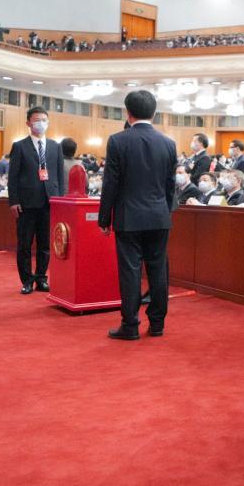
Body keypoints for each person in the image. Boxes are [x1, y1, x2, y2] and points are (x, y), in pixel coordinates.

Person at [98, 90, 177, 341]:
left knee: (130, 272)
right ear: (154, 112)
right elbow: (170, 186)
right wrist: (164, 211)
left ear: (128, 113)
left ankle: (130, 325)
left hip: (128, 217)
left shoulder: (117, 141)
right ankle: (157, 324)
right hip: (159, 216)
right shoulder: (169, 143)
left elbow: (110, 183)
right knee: (158, 270)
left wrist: (104, 219)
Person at [8, 107, 67, 295]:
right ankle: (27, 280)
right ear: (28, 123)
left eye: (43, 120)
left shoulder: (55, 146)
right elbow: (13, 176)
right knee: (24, 244)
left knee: (45, 244)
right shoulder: (19, 146)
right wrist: (13, 200)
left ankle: (41, 278)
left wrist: (60, 200)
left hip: (49, 202)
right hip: (26, 203)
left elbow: (60, 175)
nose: (40, 123)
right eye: (36, 120)